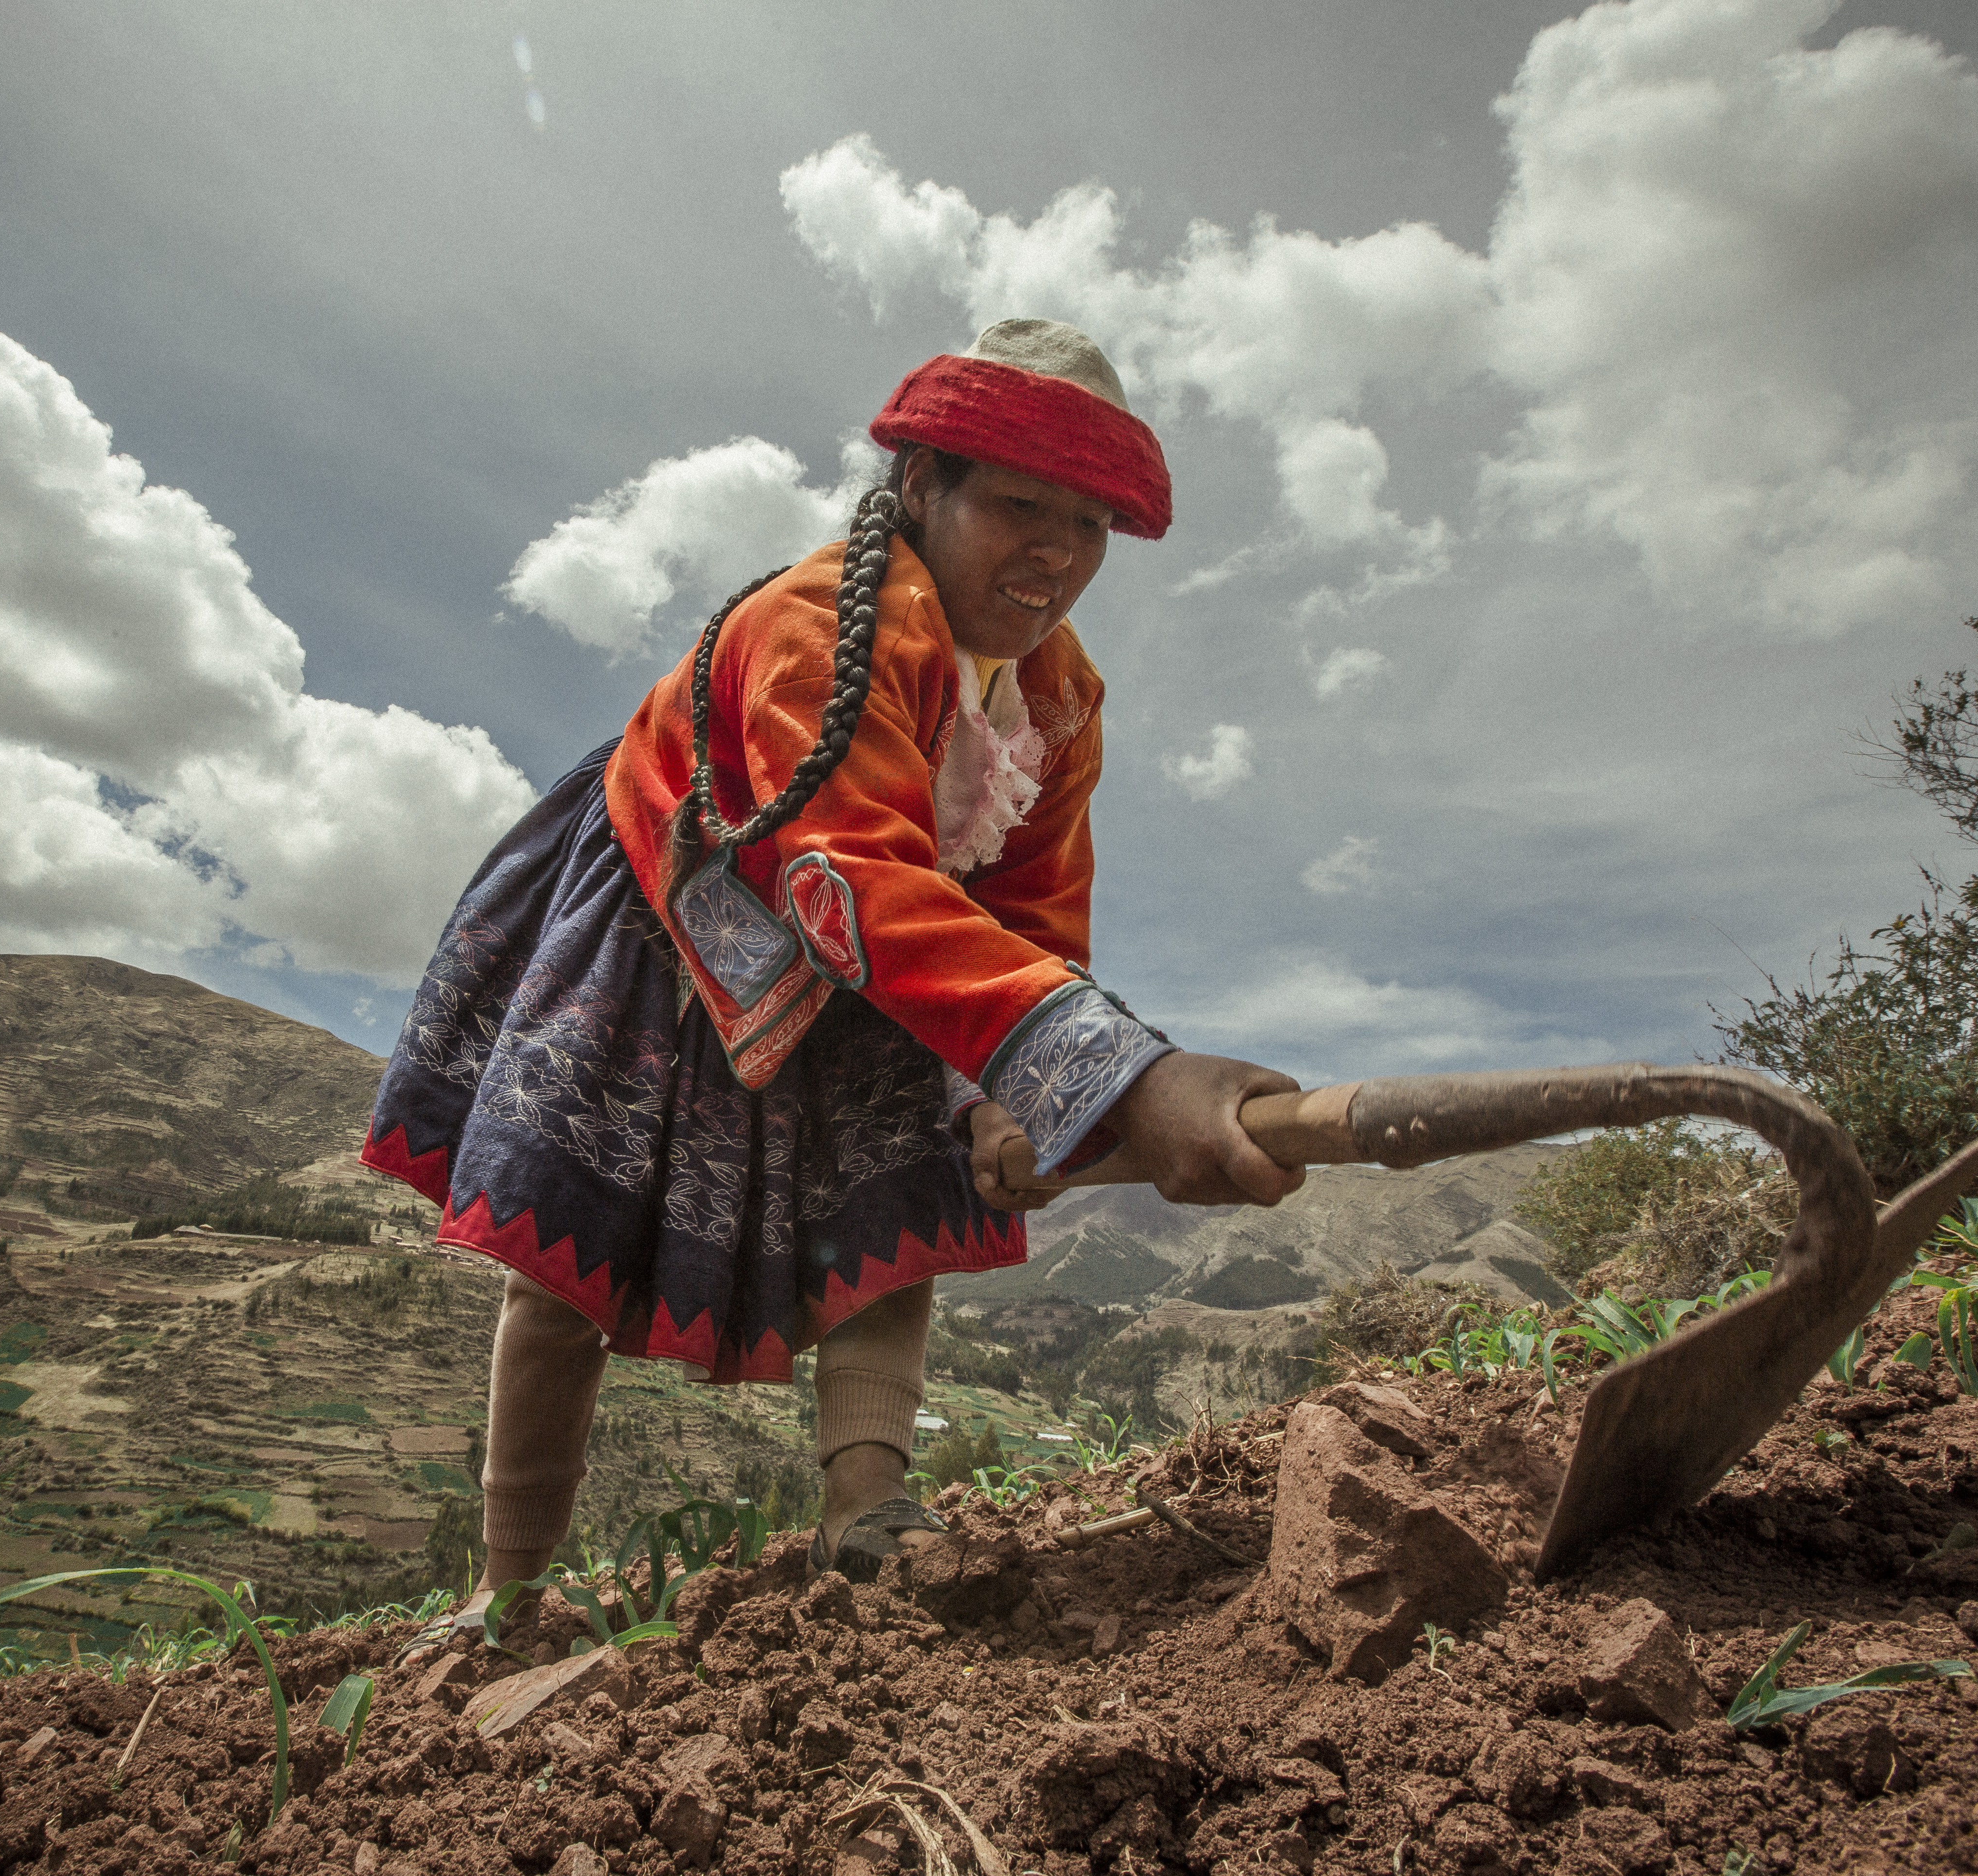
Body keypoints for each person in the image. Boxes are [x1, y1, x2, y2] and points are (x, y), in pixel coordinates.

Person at [363, 318, 1303, 1648]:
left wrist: (1006, 1094)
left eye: (1089, 526)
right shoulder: (813, 626)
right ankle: (507, 1589)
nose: (1057, 555)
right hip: (678, 914)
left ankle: (869, 1520)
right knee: (567, 1238)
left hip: (889, 928)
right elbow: (846, 865)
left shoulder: (1063, 697)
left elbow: (1033, 906)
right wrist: (1119, 1076)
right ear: (920, 489)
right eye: (1022, 508)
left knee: (896, 1186)